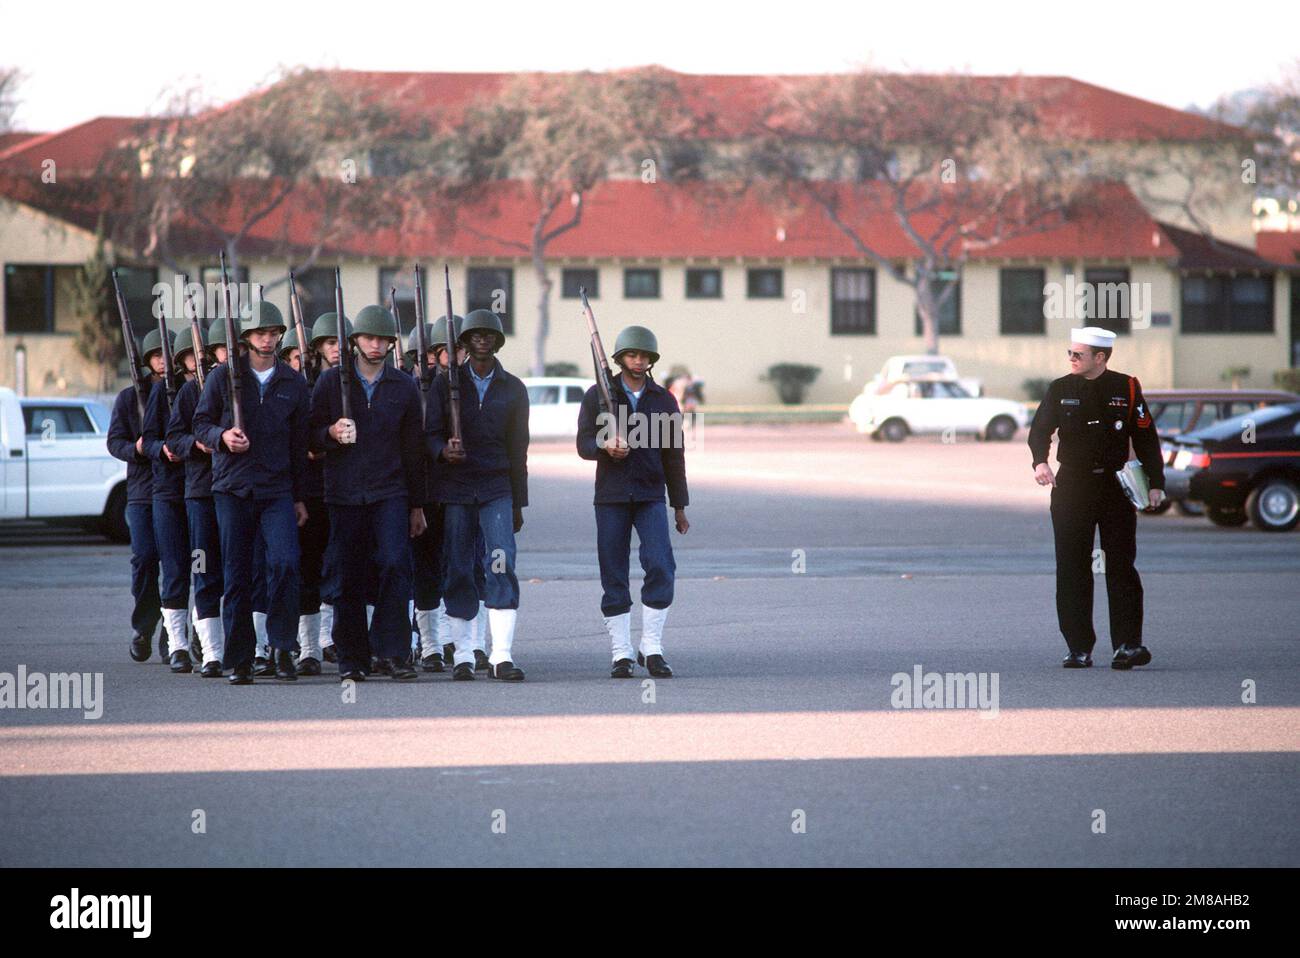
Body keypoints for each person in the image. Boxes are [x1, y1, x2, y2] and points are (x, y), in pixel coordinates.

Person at [1027, 326, 1165, 670]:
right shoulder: (1060, 389)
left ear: (1100, 358)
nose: (1071, 359)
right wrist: (1040, 462)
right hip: (1072, 487)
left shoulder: (1127, 388)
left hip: (1116, 487)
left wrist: (1156, 482)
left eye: (1079, 354)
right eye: (1070, 353)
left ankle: (1128, 646)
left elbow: (1147, 437)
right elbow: (1039, 430)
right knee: (1073, 568)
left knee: (1121, 566)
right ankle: (1078, 648)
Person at [192, 300, 310, 684]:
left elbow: (299, 444)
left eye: (274, 332)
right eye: (260, 333)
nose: (268, 339)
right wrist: (222, 437)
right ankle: (240, 658)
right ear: (245, 338)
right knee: (237, 574)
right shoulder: (222, 377)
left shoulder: (293, 381)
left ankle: (281, 647)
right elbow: (200, 423)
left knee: (286, 563)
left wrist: (299, 496)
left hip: (277, 489)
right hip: (232, 487)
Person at [310, 304, 426, 683]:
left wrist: (417, 505)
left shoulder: (404, 386)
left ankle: (393, 652)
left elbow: (413, 450)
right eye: (368, 338)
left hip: (390, 491)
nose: (375, 345)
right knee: (348, 574)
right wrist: (330, 433)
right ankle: (353, 657)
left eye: (383, 339)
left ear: (392, 343)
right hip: (343, 493)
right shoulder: (330, 384)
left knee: (395, 564)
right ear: (354, 341)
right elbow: (308, 437)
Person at [576, 325, 689, 678]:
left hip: (651, 495)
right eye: (632, 355)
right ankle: (621, 652)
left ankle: (651, 647)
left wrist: (679, 506)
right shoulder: (597, 395)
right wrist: (604, 447)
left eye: (644, 356)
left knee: (660, 565)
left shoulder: (663, 400)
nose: (638, 361)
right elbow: (583, 443)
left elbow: (674, 455)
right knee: (614, 573)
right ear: (620, 358)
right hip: (610, 497)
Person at [425, 309, 529, 682]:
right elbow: (430, 433)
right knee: (458, 567)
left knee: (500, 562)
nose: (482, 340)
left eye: (489, 335)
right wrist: (442, 451)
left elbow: (520, 449)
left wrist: (519, 502)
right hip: (456, 488)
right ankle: (464, 654)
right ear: (464, 342)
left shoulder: (513, 388)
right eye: (475, 335)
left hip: (497, 488)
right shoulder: (444, 384)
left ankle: (501, 655)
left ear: (498, 341)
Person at [165, 319, 227, 677]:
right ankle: (211, 652)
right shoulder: (189, 393)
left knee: (241, 571)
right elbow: (174, 437)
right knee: (203, 568)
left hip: (237, 493)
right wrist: (198, 443)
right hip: (201, 494)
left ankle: (245, 646)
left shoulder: (241, 386)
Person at [107, 329, 166, 663]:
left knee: (183, 564)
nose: (161, 360)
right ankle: (144, 626)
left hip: (176, 491)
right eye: (155, 354)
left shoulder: (184, 392)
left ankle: (177, 633)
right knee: (144, 559)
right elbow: (114, 442)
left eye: (166, 353)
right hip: (143, 491)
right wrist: (137, 448)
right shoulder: (130, 398)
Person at [141, 326, 197, 672]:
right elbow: (146, 440)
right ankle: (176, 643)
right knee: (175, 569)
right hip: (170, 493)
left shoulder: (216, 386)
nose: (199, 359)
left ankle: (207, 640)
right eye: (192, 354)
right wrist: (164, 449)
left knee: (205, 568)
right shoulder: (163, 391)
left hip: (203, 492)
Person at [308, 312, 351, 665]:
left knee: (341, 562)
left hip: (343, 483)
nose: (336, 349)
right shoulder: (310, 384)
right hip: (311, 485)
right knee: (315, 563)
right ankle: (314, 640)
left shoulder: (352, 382)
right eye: (330, 343)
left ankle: (337, 636)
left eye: (340, 342)